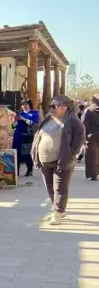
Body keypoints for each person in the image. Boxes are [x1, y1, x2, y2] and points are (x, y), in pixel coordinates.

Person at [32, 95, 85, 226]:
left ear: (64, 107)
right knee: (50, 188)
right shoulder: (49, 119)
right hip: (45, 160)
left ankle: (58, 212)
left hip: (61, 160)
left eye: (54, 106)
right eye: (51, 106)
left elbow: (79, 138)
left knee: (60, 187)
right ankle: (57, 209)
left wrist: (71, 153)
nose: (51, 109)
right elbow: (39, 134)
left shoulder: (72, 121)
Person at [13, 100, 40, 177]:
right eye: (22, 105)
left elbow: (35, 124)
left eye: (26, 105)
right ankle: (16, 170)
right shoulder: (20, 114)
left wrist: (23, 119)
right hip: (18, 135)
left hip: (28, 135)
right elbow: (13, 126)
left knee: (27, 153)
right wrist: (15, 121)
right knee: (16, 152)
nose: (24, 106)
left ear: (29, 105)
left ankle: (29, 170)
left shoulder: (34, 113)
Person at [82, 95, 99, 181]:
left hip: (92, 136)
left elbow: (84, 125)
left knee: (92, 155)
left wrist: (84, 138)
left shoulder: (88, 110)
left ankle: (94, 174)